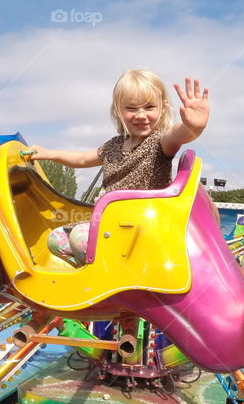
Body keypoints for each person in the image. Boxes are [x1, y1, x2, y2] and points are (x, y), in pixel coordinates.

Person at [30, 71, 210, 266]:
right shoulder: (113, 145)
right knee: (56, 238)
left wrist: (193, 127)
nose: (141, 115)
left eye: (149, 107)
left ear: (162, 108)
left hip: (140, 226)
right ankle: (100, 271)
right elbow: (82, 159)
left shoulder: (160, 141)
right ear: (118, 111)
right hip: (111, 223)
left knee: (80, 237)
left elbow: (178, 134)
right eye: (131, 108)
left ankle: (114, 274)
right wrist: (50, 154)